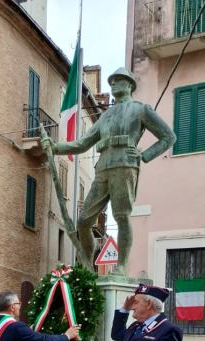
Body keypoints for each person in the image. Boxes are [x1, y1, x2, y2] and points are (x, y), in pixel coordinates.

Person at [42, 68, 175, 271]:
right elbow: (82, 143)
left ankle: (121, 265)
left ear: (129, 84)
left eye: (118, 80)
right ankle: (86, 264)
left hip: (125, 164)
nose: (113, 84)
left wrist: (144, 155)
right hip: (103, 167)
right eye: (112, 81)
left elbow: (168, 137)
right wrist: (55, 147)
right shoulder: (105, 116)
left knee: (122, 216)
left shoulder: (141, 109)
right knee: (84, 220)